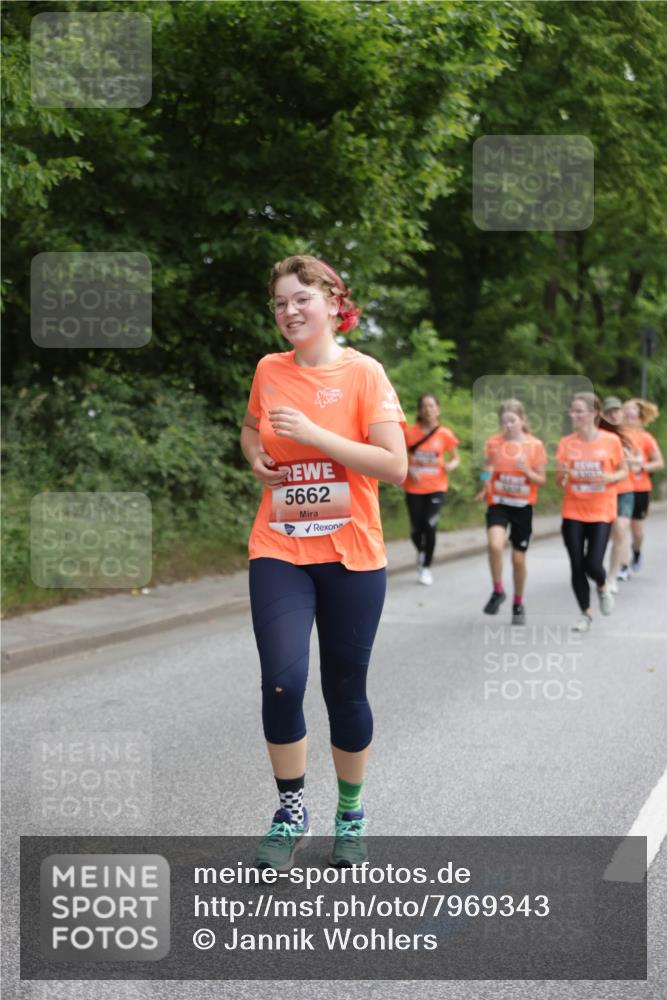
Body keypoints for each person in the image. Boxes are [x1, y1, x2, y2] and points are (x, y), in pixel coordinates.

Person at [240, 255, 407, 871]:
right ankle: (290, 811)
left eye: (300, 300)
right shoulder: (269, 369)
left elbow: (394, 465)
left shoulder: (365, 374)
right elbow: (251, 428)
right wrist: (256, 453)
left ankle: (351, 813)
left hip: (352, 553)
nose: (289, 312)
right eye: (280, 303)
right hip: (280, 546)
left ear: (335, 303)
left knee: (345, 688)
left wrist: (314, 435)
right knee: (282, 680)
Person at [556, 393, 627, 632]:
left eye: (579, 411)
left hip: (601, 510)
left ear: (593, 414)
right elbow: (559, 480)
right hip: (573, 509)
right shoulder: (566, 443)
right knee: (576, 564)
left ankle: (602, 586)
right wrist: (563, 474)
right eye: (572, 411)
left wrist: (609, 477)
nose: (573, 415)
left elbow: (623, 472)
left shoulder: (611, 441)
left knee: (593, 564)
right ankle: (585, 613)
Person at [476, 399, 547, 626]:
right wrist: (486, 482)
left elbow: (542, 480)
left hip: (523, 508)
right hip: (498, 503)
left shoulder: (535, 446)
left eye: (512, 420)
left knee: (518, 560)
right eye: (504, 421)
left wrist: (526, 470)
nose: (508, 425)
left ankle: (518, 601)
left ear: (523, 420)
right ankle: (498, 590)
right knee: (495, 544)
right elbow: (487, 468)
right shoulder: (494, 443)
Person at [402, 394, 459, 585]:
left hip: (437, 487)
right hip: (414, 488)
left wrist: (452, 465)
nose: (428, 410)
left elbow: (455, 457)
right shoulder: (410, 433)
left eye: (432, 406)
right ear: (419, 410)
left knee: (431, 525)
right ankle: (421, 551)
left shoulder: (445, 434)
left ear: (438, 409)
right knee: (416, 530)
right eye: (424, 406)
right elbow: (400, 456)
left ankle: (426, 567)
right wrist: (410, 469)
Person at [621, 398, 664, 572]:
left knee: (637, 531)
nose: (629, 413)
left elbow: (659, 463)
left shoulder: (646, 438)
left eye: (633, 412)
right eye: (626, 410)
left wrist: (642, 466)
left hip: (640, 489)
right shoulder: (614, 436)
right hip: (620, 489)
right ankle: (623, 566)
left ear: (640, 418)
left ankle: (636, 551)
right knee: (621, 528)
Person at [601, 396, 634, 591]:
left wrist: (634, 461)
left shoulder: (632, 436)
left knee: (621, 529)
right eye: (610, 412)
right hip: (602, 492)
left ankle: (612, 577)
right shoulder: (598, 436)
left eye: (617, 411)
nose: (614, 415)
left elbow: (641, 461)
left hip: (624, 490)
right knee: (606, 535)